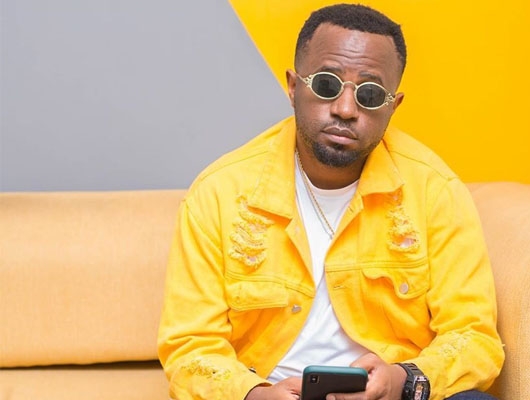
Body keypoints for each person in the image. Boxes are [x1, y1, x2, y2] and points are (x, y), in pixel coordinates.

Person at [157, 4, 504, 400]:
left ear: (393, 106)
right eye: (326, 85)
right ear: (293, 87)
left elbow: (474, 336)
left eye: (370, 94)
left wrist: (403, 380)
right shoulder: (220, 192)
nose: (345, 109)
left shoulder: (434, 190)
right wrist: (254, 394)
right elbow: (190, 347)